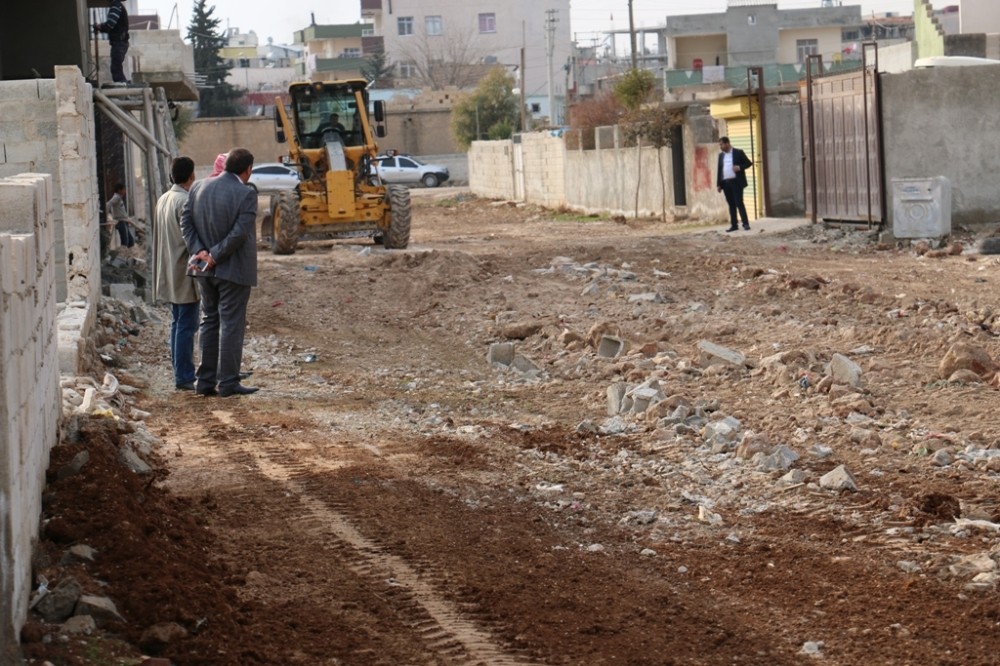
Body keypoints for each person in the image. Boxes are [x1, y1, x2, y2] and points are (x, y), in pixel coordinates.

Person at [180, 148, 259, 398]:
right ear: (247, 170)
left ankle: (204, 382)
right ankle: (228, 383)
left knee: (209, 321)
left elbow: (186, 223)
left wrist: (200, 252)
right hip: (232, 270)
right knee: (231, 325)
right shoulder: (246, 194)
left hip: (203, 271)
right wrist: (214, 255)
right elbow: (239, 233)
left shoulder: (198, 187)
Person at [153, 157, 200, 391]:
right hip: (184, 272)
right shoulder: (184, 201)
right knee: (186, 325)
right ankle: (184, 376)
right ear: (190, 176)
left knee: (177, 322)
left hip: (169, 270)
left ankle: (179, 371)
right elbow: (191, 240)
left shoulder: (164, 199)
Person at [716, 136, 753, 232]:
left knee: (739, 202)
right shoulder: (721, 156)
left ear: (727, 143)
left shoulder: (738, 152)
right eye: (720, 145)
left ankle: (745, 223)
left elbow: (749, 163)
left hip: (736, 182)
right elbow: (719, 170)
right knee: (731, 204)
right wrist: (719, 184)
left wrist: (739, 167)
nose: (721, 146)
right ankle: (734, 225)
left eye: (722, 144)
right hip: (726, 183)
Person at [96, 0, 130, 84]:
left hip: (119, 42)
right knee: (117, 68)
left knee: (116, 68)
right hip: (120, 42)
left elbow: (110, 24)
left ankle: (123, 88)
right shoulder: (117, 6)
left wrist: (100, 27)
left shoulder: (116, 6)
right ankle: (124, 86)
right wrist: (101, 27)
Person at [107, 183, 135, 248]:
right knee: (125, 240)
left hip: (124, 221)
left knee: (130, 241)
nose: (125, 191)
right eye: (124, 189)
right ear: (119, 190)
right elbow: (109, 204)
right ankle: (124, 253)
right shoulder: (116, 197)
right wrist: (106, 214)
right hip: (120, 221)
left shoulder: (119, 198)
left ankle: (129, 254)